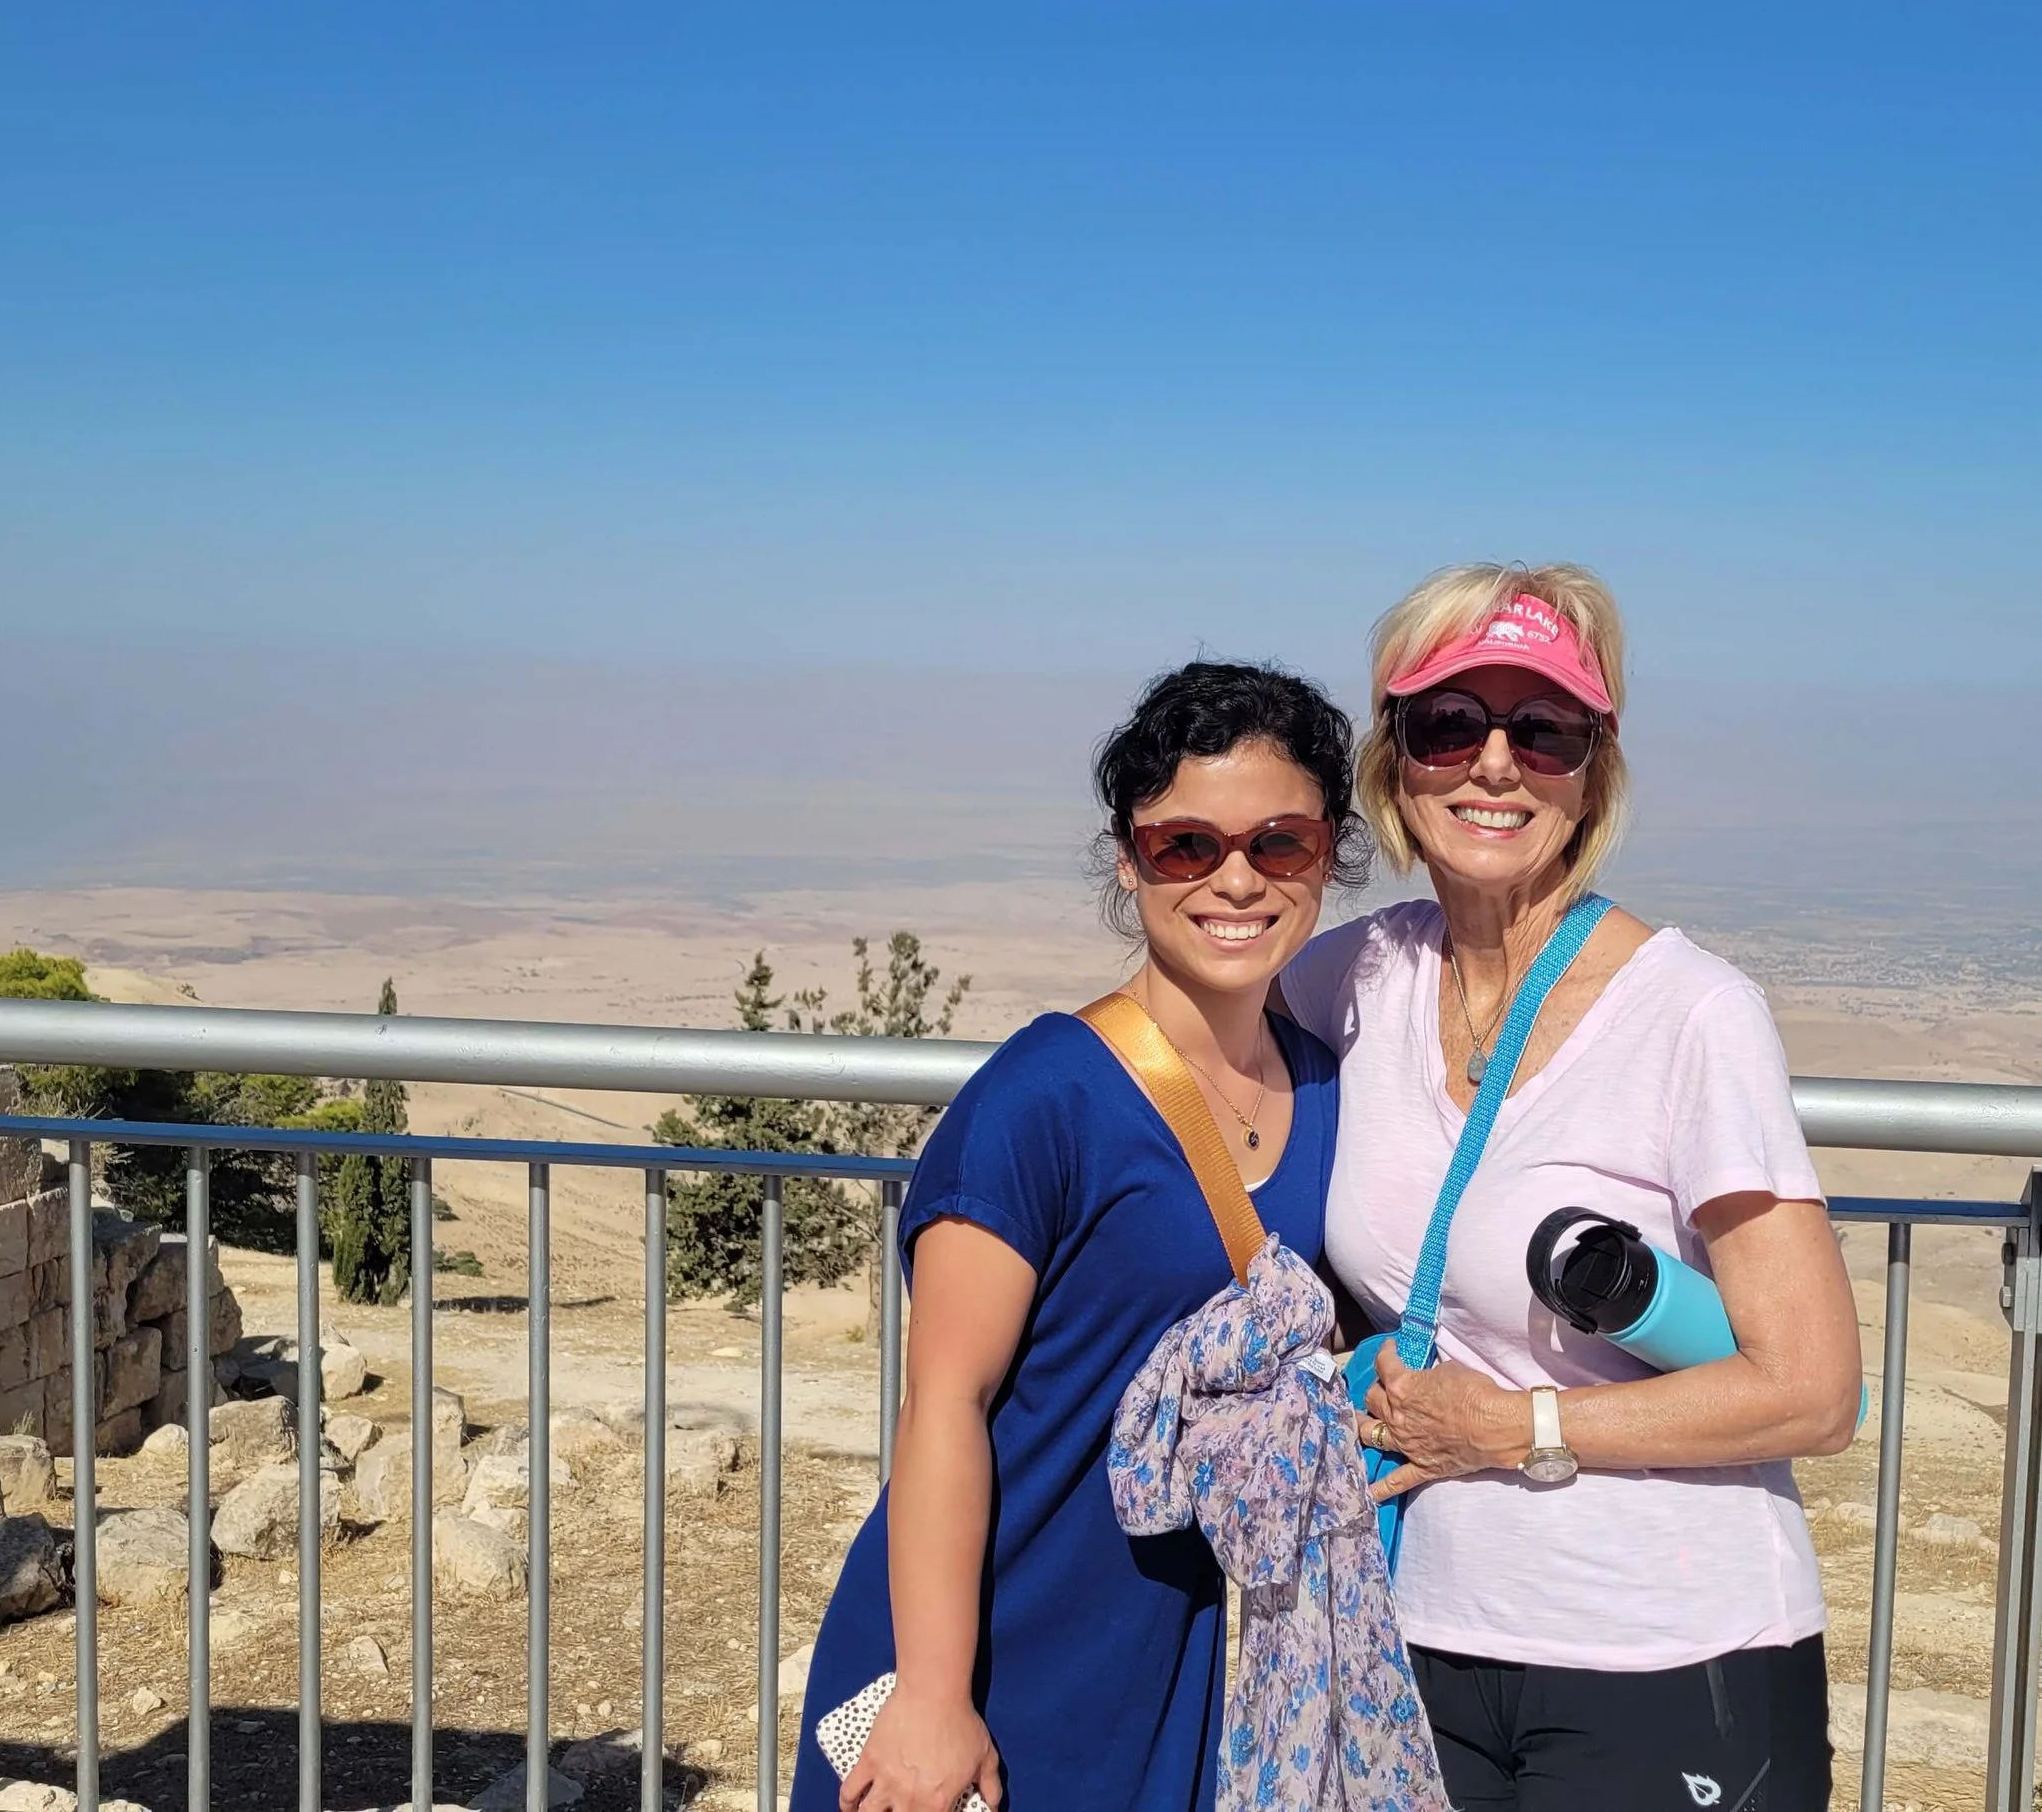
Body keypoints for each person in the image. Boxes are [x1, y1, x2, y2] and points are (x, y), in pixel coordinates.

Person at [1278, 564, 1859, 1812]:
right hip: (1420, 1640)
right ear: (1393, 760)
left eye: (1541, 730)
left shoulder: (1692, 1014)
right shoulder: (1350, 979)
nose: (1494, 764)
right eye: (1448, 723)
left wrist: (1518, 1429)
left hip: (1667, 1650)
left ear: (1591, 772)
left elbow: (1813, 1390)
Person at [794, 661, 1373, 1812]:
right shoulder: (1043, 1098)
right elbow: (946, 1403)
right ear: (1128, 858)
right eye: (1185, 846)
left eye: (1280, 842)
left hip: (1172, 1659)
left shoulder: (1324, 1086)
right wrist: (932, 1695)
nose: (1236, 878)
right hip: (990, 1656)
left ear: (1328, 853)